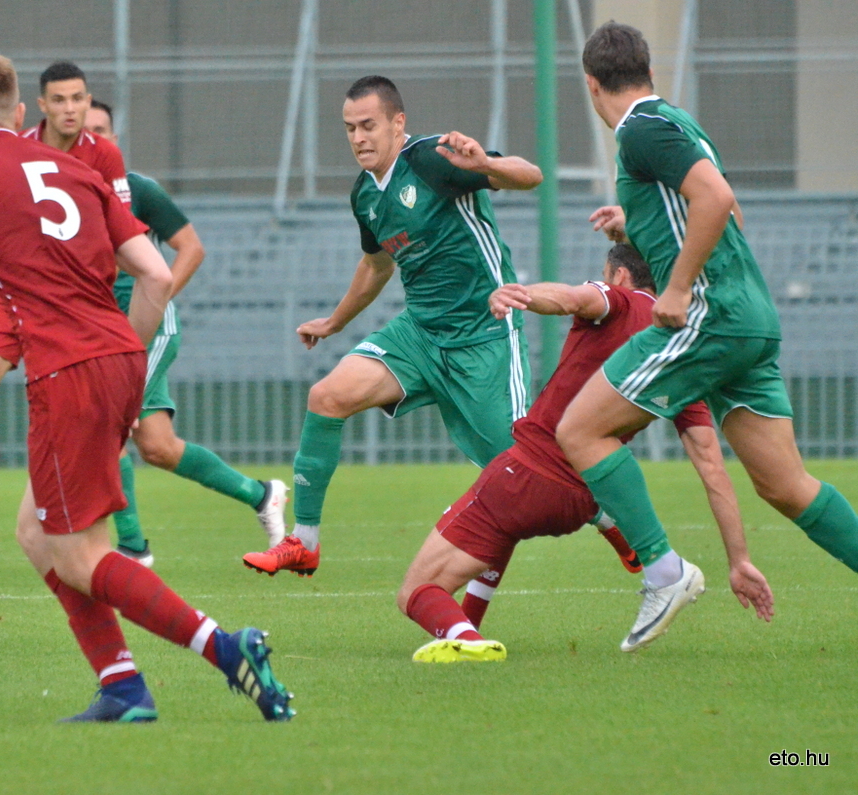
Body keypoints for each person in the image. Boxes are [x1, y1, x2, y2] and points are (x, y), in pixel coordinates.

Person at [0, 54, 294, 722]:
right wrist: (126, 359)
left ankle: (226, 647)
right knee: (33, 531)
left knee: (80, 554)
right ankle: (122, 684)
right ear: (24, 113)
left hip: (66, 371)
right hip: (119, 354)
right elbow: (157, 277)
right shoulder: (84, 168)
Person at [557, 21, 858, 652]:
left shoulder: (639, 129)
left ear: (591, 83)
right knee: (785, 485)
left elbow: (717, 200)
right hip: (749, 316)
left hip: (710, 314)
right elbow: (726, 211)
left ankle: (664, 573)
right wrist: (635, 227)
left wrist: (676, 287)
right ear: (648, 71)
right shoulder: (678, 122)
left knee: (579, 431)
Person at [398, 244, 774, 662]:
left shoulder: (620, 299)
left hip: (529, 472)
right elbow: (712, 469)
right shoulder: (678, 356)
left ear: (618, 275)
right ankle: (472, 624)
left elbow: (573, 298)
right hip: (580, 498)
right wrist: (739, 560)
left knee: (414, 591)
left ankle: (466, 640)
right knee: (499, 530)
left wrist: (521, 294)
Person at [243, 75, 542, 577]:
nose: (359, 137)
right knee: (327, 396)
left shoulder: (430, 159)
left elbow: (530, 175)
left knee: (525, 475)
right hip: (420, 334)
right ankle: (304, 540)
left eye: (369, 125)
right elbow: (378, 265)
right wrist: (335, 322)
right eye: (349, 128)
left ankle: (617, 526)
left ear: (397, 123)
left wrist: (487, 164)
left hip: (482, 334)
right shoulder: (365, 195)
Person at [0, 60, 132, 550]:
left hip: (70, 306)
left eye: (79, 99)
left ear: (90, 103)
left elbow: (120, 235)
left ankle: (129, 541)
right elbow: (2, 224)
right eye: (60, 99)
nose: (71, 109)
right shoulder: (17, 148)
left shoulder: (103, 155)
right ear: (35, 108)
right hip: (11, 296)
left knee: (140, 441)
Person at [83, 99, 288, 565]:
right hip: (100, 333)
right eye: (86, 132)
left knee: (106, 429)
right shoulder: (65, 196)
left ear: (115, 139)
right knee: (156, 446)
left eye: (103, 130)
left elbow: (191, 248)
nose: (95, 139)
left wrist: (157, 297)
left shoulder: (138, 191)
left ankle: (134, 549)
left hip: (146, 331)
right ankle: (261, 495)